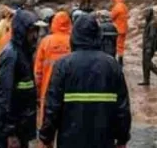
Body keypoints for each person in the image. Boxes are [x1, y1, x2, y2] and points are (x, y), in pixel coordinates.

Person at [38, 14, 132, 148]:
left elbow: (53, 107)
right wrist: (122, 140)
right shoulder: (112, 66)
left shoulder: (63, 65)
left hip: (70, 141)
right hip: (103, 141)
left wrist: (46, 138)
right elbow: (122, 108)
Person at [0, 9, 41, 148]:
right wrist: (10, 133)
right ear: (22, 31)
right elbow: (4, 97)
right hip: (10, 132)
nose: (35, 36)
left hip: (19, 128)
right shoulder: (11, 56)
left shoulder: (23, 52)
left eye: (36, 31)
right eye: (32, 31)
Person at [34, 11, 72, 127]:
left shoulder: (46, 42)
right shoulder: (73, 41)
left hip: (47, 91)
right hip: (68, 93)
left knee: (46, 129)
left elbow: (38, 72)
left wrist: (38, 94)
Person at [140, 7, 157, 86]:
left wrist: (149, 48)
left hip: (149, 47)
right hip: (146, 46)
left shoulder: (152, 23)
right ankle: (146, 80)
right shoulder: (148, 22)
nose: (144, 15)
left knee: (147, 62)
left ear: (150, 14)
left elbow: (152, 37)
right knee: (144, 63)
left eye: (146, 14)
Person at [109, 0, 129, 67]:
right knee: (121, 45)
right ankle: (121, 60)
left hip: (118, 29)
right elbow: (128, 15)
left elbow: (111, 17)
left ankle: (116, 61)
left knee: (116, 45)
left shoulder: (117, 7)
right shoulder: (124, 6)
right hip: (124, 29)